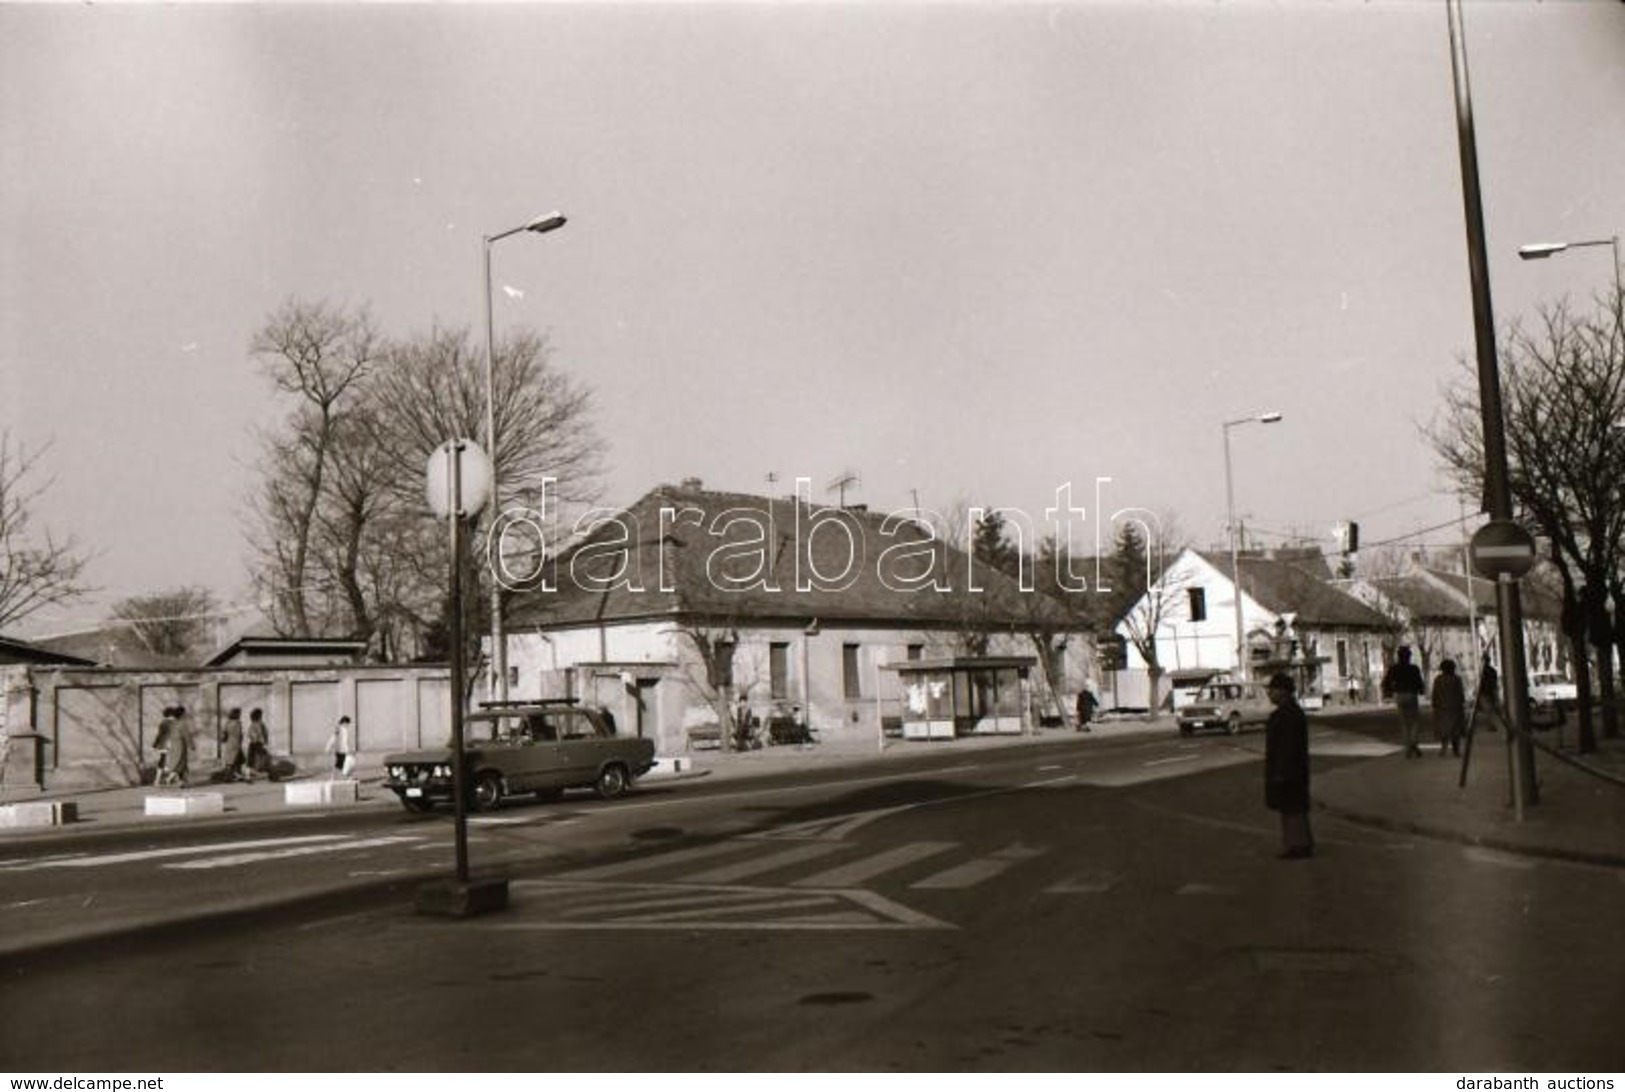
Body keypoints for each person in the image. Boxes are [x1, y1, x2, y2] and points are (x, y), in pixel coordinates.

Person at [1263, 671, 1313, 860]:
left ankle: (1297, 845)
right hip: (1293, 767)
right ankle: (1299, 843)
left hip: (1289, 768)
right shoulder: (1291, 712)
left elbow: (1288, 745)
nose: (1270, 694)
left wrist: (1281, 770)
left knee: (1292, 808)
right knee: (1292, 807)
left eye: (1272, 690)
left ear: (1282, 691)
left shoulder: (1286, 715)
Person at [1381, 646, 1426, 758]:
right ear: (1409, 657)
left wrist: (1389, 691)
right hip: (1411, 694)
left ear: (1399, 656)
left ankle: (1408, 747)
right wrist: (1421, 690)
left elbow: (1385, 682)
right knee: (1414, 720)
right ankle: (1414, 743)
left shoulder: (1394, 668)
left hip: (1399, 695)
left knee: (1404, 722)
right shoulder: (1414, 668)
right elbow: (1419, 683)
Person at [1430, 659, 1467, 757]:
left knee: (1444, 729)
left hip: (1442, 707)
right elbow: (1460, 693)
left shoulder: (1438, 680)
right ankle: (1456, 750)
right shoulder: (1456, 679)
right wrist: (1462, 702)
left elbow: (1435, 693)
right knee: (1455, 729)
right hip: (1455, 707)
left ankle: (1444, 748)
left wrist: (1434, 703)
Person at [221, 707, 247, 782]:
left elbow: (224, 735)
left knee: (232, 760)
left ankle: (236, 775)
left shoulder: (227, 723)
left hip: (229, 743)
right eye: (239, 714)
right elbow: (240, 735)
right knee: (235, 760)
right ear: (237, 714)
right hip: (236, 743)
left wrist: (224, 739)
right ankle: (229, 776)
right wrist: (241, 740)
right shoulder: (237, 723)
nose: (240, 715)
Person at [326, 714, 355, 780]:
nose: (348, 725)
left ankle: (347, 777)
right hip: (340, 750)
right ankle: (335, 777)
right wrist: (328, 747)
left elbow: (346, 741)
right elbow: (333, 737)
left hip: (345, 750)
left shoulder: (345, 730)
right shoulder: (338, 728)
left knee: (346, 763)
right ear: (344, 722)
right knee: (341, 765)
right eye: (347, 723)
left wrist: (349, 749)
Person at [245, 707, 271, 780]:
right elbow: (263, 734)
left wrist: (256, 738)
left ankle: (252, 773)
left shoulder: (255, 724)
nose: (261, 716)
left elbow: (250, 734)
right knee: (257, 759)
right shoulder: (260, 724)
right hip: (257, 744)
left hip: (255, 744)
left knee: (254, 759)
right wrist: (264, 741)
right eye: (260, 715)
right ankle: (254, 773)